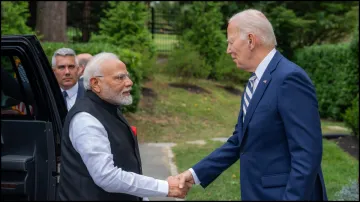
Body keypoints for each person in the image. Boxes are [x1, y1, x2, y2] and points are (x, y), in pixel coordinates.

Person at [175, 9, 328, 201]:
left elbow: (307, 154)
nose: (228, 50)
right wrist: (194, 173)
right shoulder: (256, 81)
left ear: (250, 40)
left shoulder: (289, 79)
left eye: (230, 42)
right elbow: (240, 140)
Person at [58, 52, 190, 201]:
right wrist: (165, 187)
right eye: (120, 77)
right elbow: (106, 176)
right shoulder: (86, 119)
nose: (129, 82)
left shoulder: (110, 107)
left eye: (127, 76)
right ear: (95, 84)